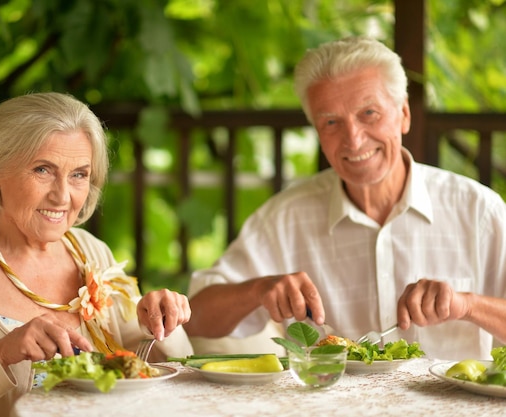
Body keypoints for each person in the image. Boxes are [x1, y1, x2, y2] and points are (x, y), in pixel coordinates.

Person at [184, 36, 506, 361]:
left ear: (404, 114)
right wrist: (257, 290)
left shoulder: (479, 210)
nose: (353, 140)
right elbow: (195, 317)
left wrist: (468, 305)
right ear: (317, 132)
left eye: (369, 113)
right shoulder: (285, 217)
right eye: (332, 122)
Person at [0, 92, 193, 417]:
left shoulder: (91, 252)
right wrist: (1, 355)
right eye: (43, 170)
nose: (62, 196)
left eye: (78, 175)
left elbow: (161, 373)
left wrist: (160, 323)